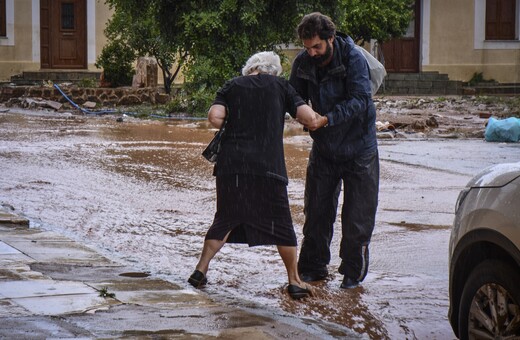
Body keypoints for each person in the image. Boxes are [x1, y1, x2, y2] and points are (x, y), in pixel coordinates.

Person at [188, 51, 318, 299]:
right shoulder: (281, 86)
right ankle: (295, 281)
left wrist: (240, 118)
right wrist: (320, 120)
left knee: (225, 218)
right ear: (273, 70)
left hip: (231, 167)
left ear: (251, 68)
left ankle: (200, 270)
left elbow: (214, 117)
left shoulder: (232, 85)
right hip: (267, 168)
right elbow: (307, 117)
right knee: (281, 223)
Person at [289, 12, 379, 289]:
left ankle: (352, 276)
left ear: (330, 39)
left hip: (359, 148)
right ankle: (313, 270)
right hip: (325, 148)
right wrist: (302, 114)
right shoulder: (303, 61)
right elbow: (292, 96)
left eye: (317, 47)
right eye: (307, 48)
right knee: (316, 212)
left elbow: (361, 99)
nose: (312, 53)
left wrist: (326, 118)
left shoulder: (353, 58)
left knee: (357, 218)